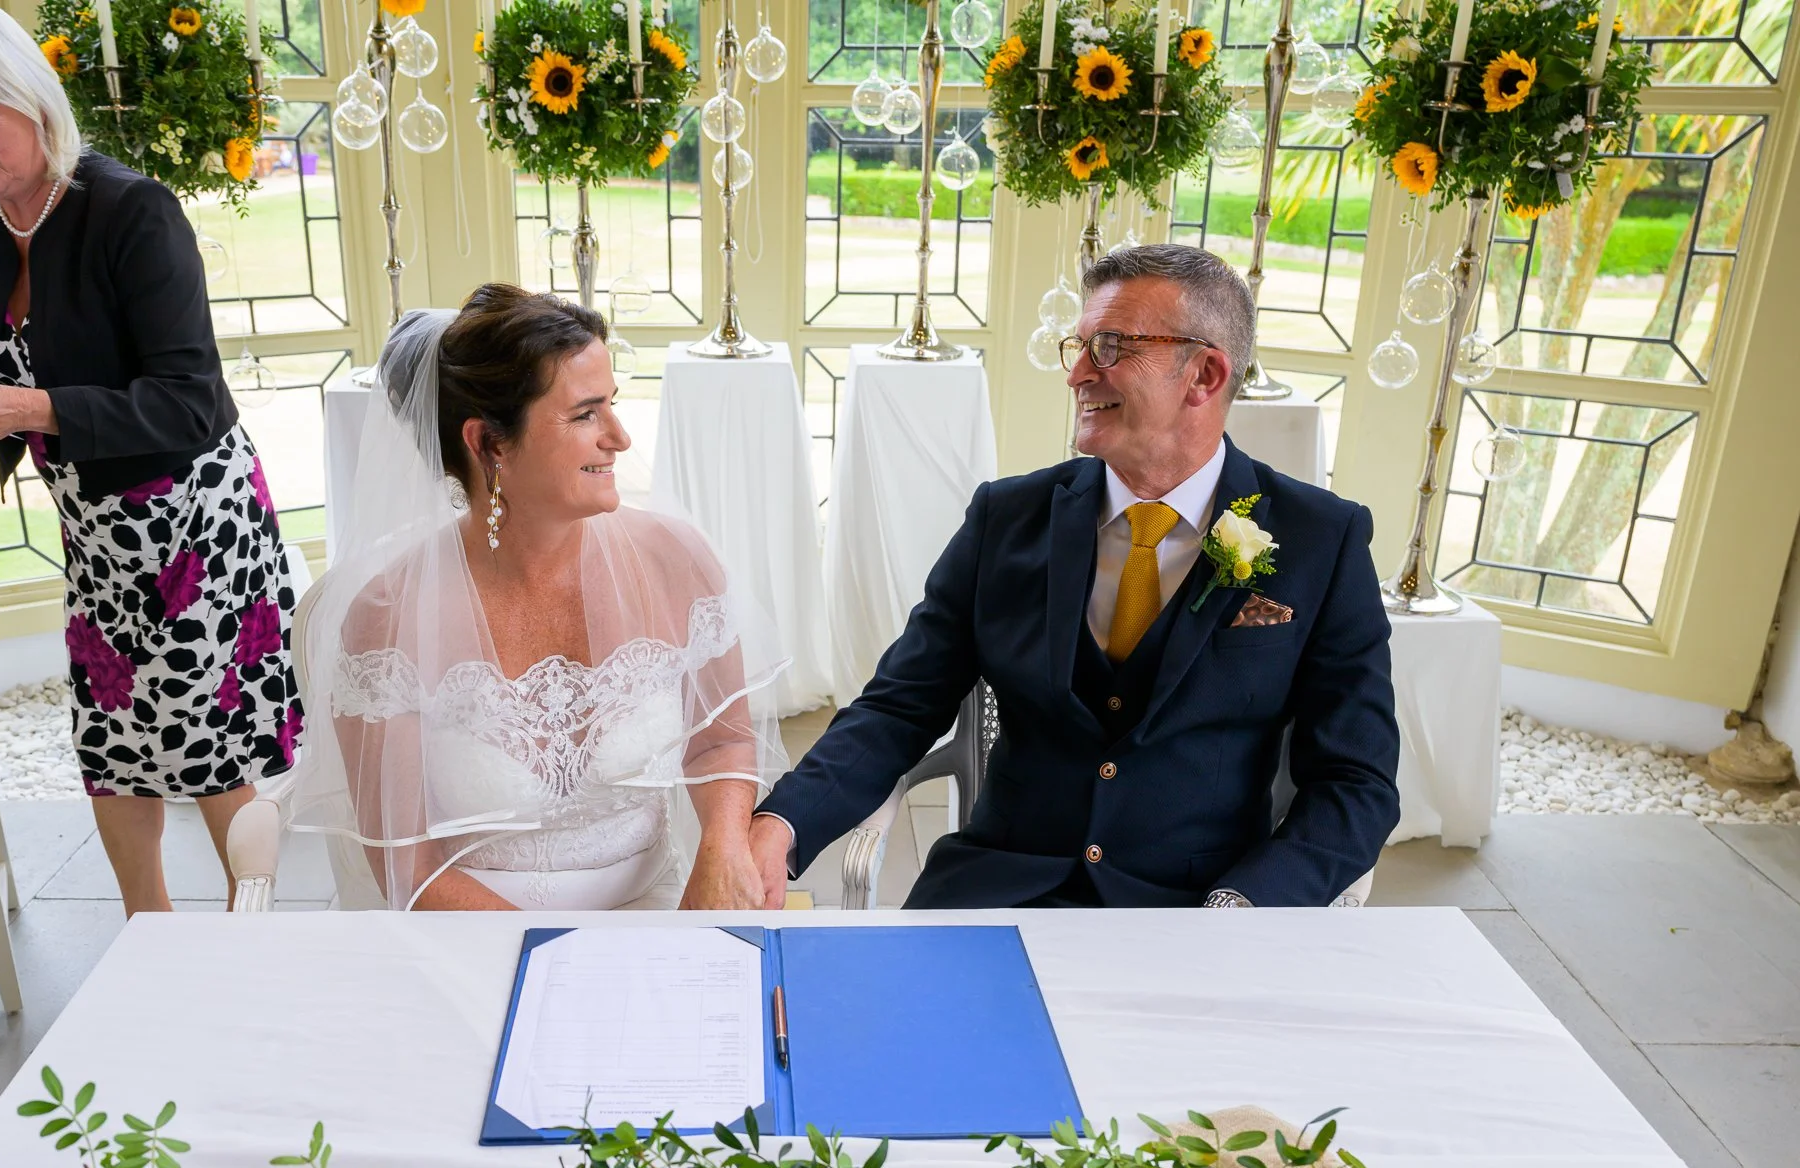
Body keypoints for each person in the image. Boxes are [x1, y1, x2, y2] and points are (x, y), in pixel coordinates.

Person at [752, 243, 1400, 909]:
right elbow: (898, 706)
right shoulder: (1005, 518)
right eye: (1081, 345)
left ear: (1204, 374)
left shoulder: (1323, 539)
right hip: (997, 890)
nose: (1078, 375)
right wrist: (781, 826)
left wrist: (1246, 905)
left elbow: (1357, 781)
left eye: (1113, 346)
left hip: (1197, 911)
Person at [0, 0, 301, 914]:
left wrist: (26, 408)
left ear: (29, 96)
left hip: (196, 527)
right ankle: (149, 932)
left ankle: (256, 939)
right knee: (114, 742)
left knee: (214, 746)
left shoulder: (132, 210)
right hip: (96, 535)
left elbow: (189, 397)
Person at [287, 288, 789, 910]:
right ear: (491, 445)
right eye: (584, 415)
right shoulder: (388, 616)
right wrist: (561, 956)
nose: (620, 437)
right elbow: (406, 864)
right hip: (469, 929)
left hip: (653, 914)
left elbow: (721, 741)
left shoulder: (675, 561)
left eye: (613, 405)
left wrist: (722, 846)